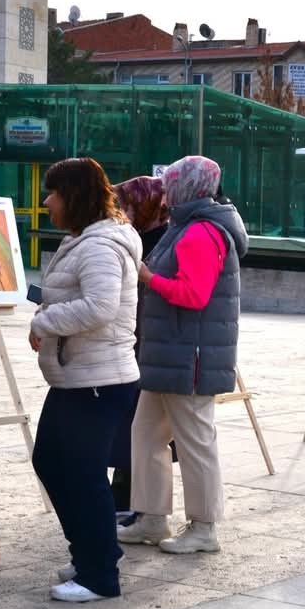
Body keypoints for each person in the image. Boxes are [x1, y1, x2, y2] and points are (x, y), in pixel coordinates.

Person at [117, 156, 248, 553]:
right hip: (170, 355)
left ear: (187, 187)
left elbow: (194, 295)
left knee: (195, 440)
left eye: (172, 182)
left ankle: (204, 528)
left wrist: (147, 277)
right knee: (145, 434)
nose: (166, 189)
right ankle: (152, 517)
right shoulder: (187, 226)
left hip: (188, 357)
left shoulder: (201, 232)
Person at [29, 158, 142, 600]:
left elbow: (99, 307)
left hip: (98, 380)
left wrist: (44, 322)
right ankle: (92, 554)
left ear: (74, 196)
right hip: (78, 377)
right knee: (51, 463)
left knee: (84, 473)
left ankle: (99, 577)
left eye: (53, 193)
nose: (46, 202)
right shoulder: (84, 241)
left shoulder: (99, 246)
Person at [110, 175, 170, 516]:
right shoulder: (141, 236)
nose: (123, 211)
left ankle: (134, 498)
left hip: (145, 340)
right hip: (135, 339)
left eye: (129, 204)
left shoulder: (157, 242)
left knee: (140, 424)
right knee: (131, 422)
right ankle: (125, 491)